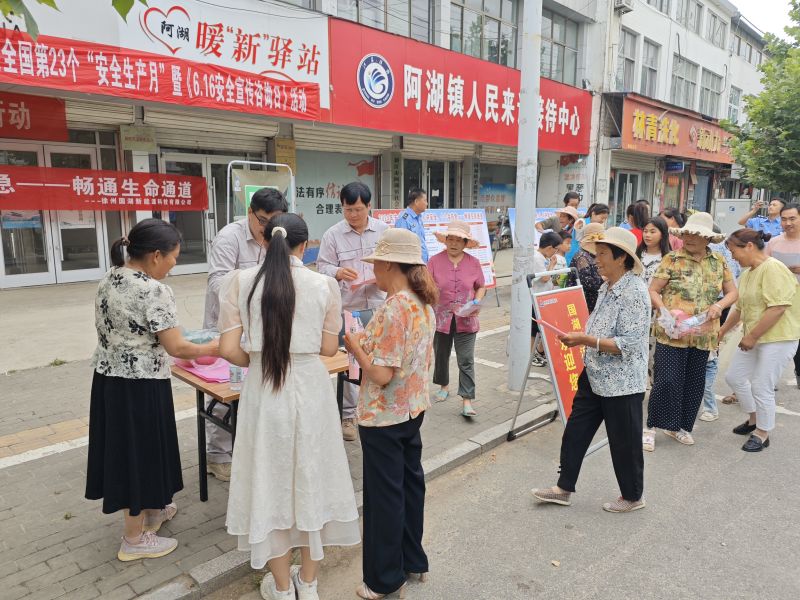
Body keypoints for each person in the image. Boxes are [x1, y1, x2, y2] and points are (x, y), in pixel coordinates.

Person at [219, 214, 360, 600]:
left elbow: (229, 349)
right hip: (311, 391)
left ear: (264, 241)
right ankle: (308, 584)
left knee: (270, 482)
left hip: (264, 392)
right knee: (314, 478)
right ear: (306, 245)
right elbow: (329, 348)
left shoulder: (239, 282)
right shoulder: (324, 285)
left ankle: (282, 588)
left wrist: (260, 358)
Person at [86, 219, 220, 561]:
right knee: (138, 454)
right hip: (141, 385)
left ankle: (153, 511)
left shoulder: (110, 277)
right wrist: (217, 347)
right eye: (174, 257)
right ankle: (133, 540)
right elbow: (177, 346)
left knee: (131, 450)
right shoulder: (154, 289)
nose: (175, 265)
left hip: (109, 382)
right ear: (156, 255)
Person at [343, 228, 437, 600]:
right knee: (410, 486)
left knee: (384, 498)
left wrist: (354, 346)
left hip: (384, 416)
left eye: (376, 264)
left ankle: (384, 580)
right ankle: (413, 561)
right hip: (412, 409)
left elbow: (381, 375)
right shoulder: (422, 302)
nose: (374, 271)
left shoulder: (396, 307)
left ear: (388, 264)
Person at [531, 228, 651, 513]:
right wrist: (584, 338)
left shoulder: (634, 292)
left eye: (603, 254)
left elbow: (629, 344)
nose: (596, 260)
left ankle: (633, 496)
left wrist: (585, 340)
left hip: (622, 383)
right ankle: (563, 488)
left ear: (622, 258)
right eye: (596, 254)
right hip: (594, 373)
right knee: (576, 431)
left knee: (624, 443)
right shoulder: (606, 285)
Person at [202, 188, 288, 481]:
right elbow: (217, 282)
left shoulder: (278, 235)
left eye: (273, 222)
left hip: (260, 326)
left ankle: (245, 447)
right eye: (262, 220)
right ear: (250, 212)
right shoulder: (229, 238)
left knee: (254, 388)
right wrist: (256, 290)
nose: (267, 228)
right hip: (227, 326)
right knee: (223, 391)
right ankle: (217, 455)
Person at [646, 212, 737, 449]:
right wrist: (664, 311)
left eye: (696, 235)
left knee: (694, 383)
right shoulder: (672, 259)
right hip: (672, 332)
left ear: (708, 238)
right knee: (666, 381)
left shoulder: (718, 261)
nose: (689, 238)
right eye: (687, 233)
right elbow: (653, 290)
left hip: (702, 334)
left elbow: (732, 293)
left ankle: (680, 427)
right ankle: (651, 426)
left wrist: (719, 306)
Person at [317, 182, 389, 442]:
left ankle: (376, 408)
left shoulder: (384, 231)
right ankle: (348, 415)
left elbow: (393, 262)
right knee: (351, 362)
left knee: (379, 358)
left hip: (379, 305)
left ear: (369, 206)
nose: (353, 215)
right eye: (348, 210)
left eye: (358, 209)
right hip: (349, 308)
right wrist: (337, 272)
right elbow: (322, 267)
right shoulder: (332, 235)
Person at [720, 228, 800, 452]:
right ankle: (754, 418)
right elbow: (740, 308)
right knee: (735, 377)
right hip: (754, 336)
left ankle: (763, 433)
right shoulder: (748, 273)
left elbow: (778, 307)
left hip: (779, 337)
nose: (733, 257)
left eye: (733, 251)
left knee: (762, 385)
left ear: (749, 246)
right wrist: (722, 331)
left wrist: (752, 336)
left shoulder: (773, 268)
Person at [428, 221, 487, 417]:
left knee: (466, 359)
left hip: (467, 320)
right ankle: (443, 385)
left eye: (458, 240)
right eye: (450, 239)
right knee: (441, 355)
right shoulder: (434, 261)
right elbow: (427, 286)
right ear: (445, 241)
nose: (453, 243)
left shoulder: (473, 263)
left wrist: (476, 302)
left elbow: (481, 286)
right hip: (440, 319)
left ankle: (467, 399)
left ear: (465, 243)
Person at [765, 202, 800, 388]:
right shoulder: (774, 242)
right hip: (777, 298)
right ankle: (769, 378)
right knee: (775, 338)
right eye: (784, 219)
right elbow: (764, 266)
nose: (788, 223)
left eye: (792, 218)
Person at [530, 232, 563, 367]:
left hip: (542, 299)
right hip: (536, 299)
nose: (556, 253)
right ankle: (531, 355)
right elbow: (544, 278)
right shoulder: (537, 258)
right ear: (549, 248)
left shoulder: (542, 257)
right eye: (556, 249)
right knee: (534, 330)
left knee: (540, 328)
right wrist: (552, 265)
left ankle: (538, 352)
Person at [567, 223, 605, 313]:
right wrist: (604, 279)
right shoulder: (582, 257)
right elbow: (588, 282)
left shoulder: (590, 255)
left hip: (590, 302)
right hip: (582, 303)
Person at [395, 188, 429, 263]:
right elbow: (402, 246)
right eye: (425, 200)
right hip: (412, 264)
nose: (427, 204)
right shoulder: (404, 219)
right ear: (416, 201)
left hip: (422, 262)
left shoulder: (419, 217)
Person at [637, 217, 671, 286]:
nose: (647, 235)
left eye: (652, 232)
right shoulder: (636, 254)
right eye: (645, 231)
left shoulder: (669, 258)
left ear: (662, 234)